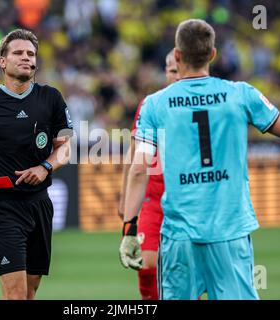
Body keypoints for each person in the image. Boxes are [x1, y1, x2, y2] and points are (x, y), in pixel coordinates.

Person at [119, 19, 280, 300]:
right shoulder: (241, 94)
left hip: (179, 235)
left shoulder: (154, 104)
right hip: (230, 230)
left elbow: (139, 170)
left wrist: (129, 228)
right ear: (212, 55)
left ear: (177, 55)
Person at [0, 29, 72, 300]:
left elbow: (66, 148)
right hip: (2, 205)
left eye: (31, 54)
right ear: (3, 62)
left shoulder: (52, 98)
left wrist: (45, 167)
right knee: (16, 295)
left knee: (30, 291)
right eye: (18, 53)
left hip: (40, 203)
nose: (26, 58)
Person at [118, 49, 179, 300]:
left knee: (184, 272)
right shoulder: (151, 104)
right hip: (153, 200)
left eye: (179, 69)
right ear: (165, 72)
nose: (175, 76)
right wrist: (125, 200)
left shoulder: (199, 103)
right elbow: (133, 157)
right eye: (171, 70)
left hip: (184, 200)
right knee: (147, 263)